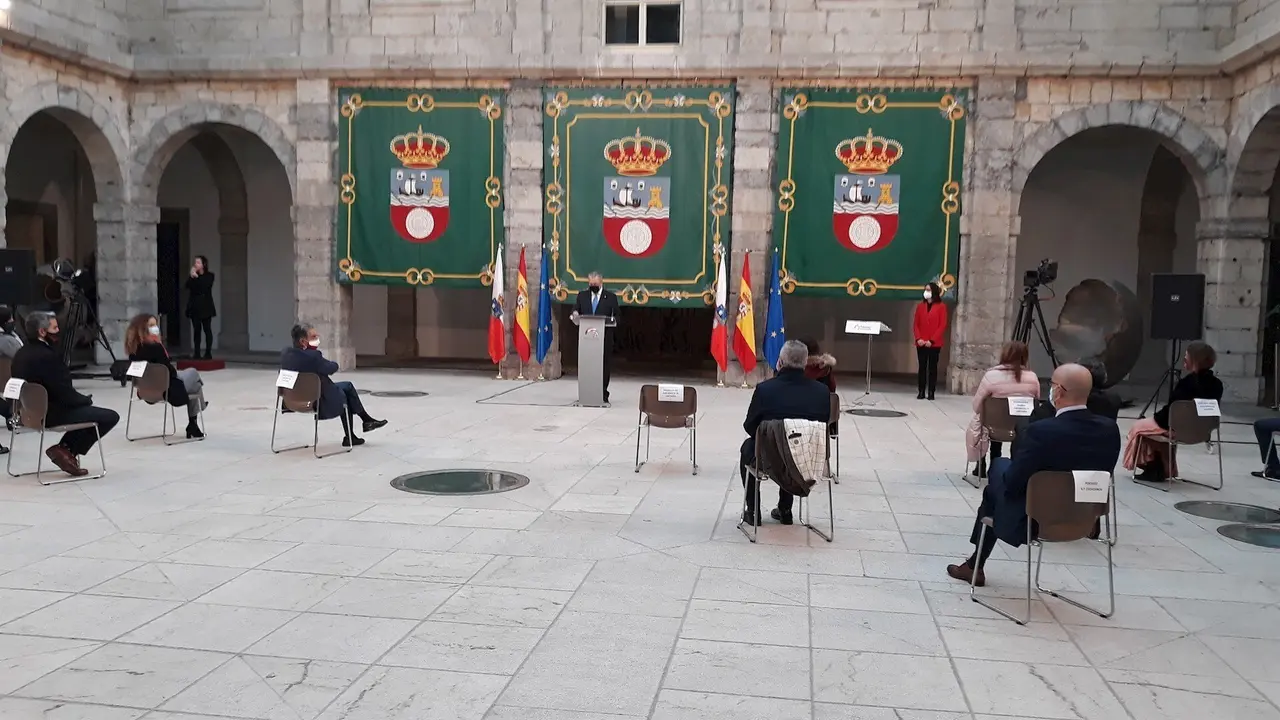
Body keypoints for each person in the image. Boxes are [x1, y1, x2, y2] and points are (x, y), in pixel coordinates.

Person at [946, 364, 1121, 587]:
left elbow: (1013, 483)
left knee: (998, 472)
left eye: (1052, 385)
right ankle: (973, 565)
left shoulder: (1041, 431)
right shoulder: (1109, 430)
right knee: (1004, 473)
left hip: (1036, 520)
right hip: (1084, 518)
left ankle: (975, 565)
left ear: (1059, 391)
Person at [9, 312, 119, 477]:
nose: (58, 331)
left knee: (88, 412)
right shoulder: (48, 356)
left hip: (28, 414)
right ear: (42, 331)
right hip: (52, 413)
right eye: (55, 328)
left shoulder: (20, 354)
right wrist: (84, 400)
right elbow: (63, 393)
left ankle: (65, 450)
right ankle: (66, 449)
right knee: (109, 416)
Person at [739, 340, 832, 526]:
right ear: (805, 363)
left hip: (769, 458)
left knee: (749, 447)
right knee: (793, 442)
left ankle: (753, 511)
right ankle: (785, 510)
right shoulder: (822, 392)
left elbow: (750, 427)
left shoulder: (765, 390)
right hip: (807, 459)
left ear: (780, 362)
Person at [1123, 341, 1224, 482]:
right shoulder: (1217, 384)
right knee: (1153, 428)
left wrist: (1155, 418)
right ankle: (1161, 468)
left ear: (1195, 359)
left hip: (1178, 429)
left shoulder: (1187, 384)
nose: (1184, 359)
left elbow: (1173, 411)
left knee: (1139, 427)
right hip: (1202, 431)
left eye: (1187, 356)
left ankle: (1153, 467)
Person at [280, 323, 387, 446]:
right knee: (345, 393)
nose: (317, 339)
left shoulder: (286, 354)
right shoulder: (314, 357)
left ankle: (363, 424)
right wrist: (329, 362)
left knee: (347, 386)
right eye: (314, 337)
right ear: (303, 341)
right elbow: (331, 368)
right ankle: (357, 429)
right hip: (317, 401)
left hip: (292, 401)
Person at [125, 313, 208, 439]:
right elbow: (170, 372)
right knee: (194, 376)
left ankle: (194, 423)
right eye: (151, 325)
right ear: (142, 329)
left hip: (146, 391)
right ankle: (196, 416)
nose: (155, 328)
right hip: (167, 389)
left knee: (194, 383)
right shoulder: (156, 347)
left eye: (155, 325)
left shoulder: (133, 350)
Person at [965, 341, 1039, 476]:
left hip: (994, 424)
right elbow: (1036, 402)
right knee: (1012, 421)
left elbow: (977, 405)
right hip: (1021, 426)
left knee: (985, 421)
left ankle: (982, 463)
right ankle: (1008, 464)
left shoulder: (991, 376)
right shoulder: (1033, 378)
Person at [571, 271, 620, 403]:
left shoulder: (611, 297)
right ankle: (586, 392)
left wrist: (612, 321)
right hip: (587, 339)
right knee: (587, 366)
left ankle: (603, 393)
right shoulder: (582, 296)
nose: (593, 286)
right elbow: (576, 310)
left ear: (601, 282)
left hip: (604, 339)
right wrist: (574, 313)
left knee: (603, 366)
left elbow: (617, 316)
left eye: (595, 284)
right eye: (591, 284)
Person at [913, 282, 947, 400]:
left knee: (932, 368)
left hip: (934, 343)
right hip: (921, 343)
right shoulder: (920, 306)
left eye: (928, 290)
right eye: (925, 290)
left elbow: (942, 325)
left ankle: (931, 392)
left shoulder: (941, 306)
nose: (926, 292)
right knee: (922, 367)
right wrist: (918, 338)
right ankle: (921, 391)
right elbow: (916, 324)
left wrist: (932, 340)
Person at [185, 255, 216, 360]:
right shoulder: (193, 277)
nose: (195, 264)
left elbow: (205, 286)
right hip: (195, 307)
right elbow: (187, 286)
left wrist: (197, 278)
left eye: (198, 262)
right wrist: (191, 277)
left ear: (203, 265)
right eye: (195, 262)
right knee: (196, 330)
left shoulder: (210, 275)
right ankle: (197, 353)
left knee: (207, 329)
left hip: (206, 306)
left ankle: (208, 352)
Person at [0, 305, 20, 455]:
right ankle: (10, 413)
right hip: (10, 379)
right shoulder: (6, 341)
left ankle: (9, 413)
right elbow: (22, 355)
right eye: (10, 319)